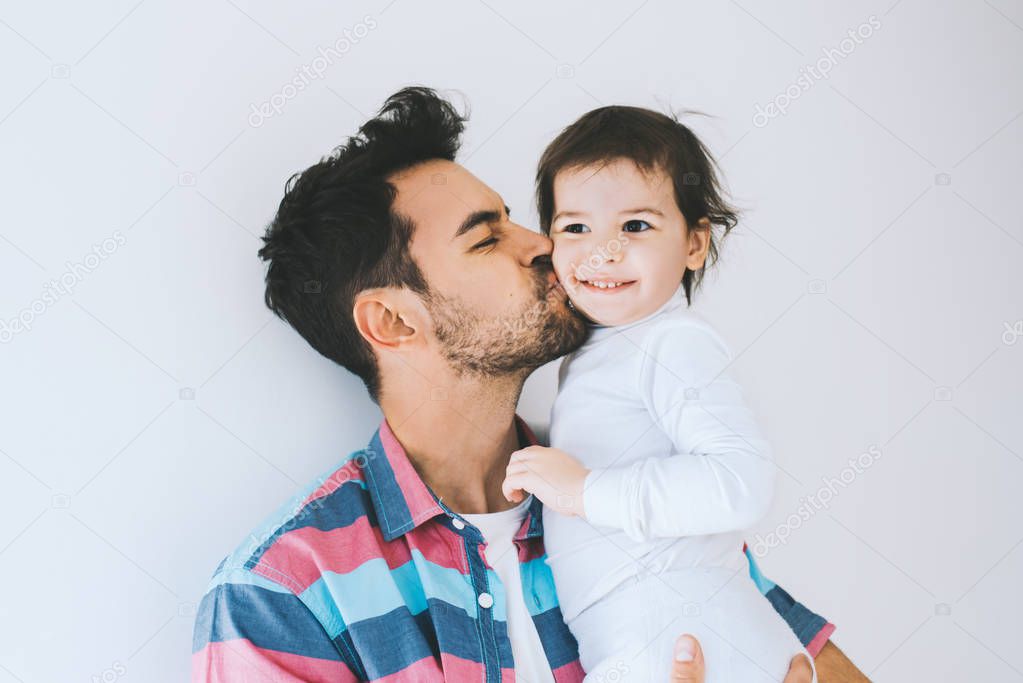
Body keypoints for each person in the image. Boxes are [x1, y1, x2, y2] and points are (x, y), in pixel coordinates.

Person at [191, 86, 866, 682]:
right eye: (486, 240)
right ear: (393, 320)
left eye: (516, 217)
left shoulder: (636, 489)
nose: (545, 243)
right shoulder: (282, 596)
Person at [501, 106, 813, 682]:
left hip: (681, 637)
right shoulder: (605, 349)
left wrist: (589, 492)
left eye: (636, 226)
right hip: (655, 632)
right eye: (575, 228)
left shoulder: (672, 342)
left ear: (695, 244)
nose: (603, 251)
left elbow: (741, 482)